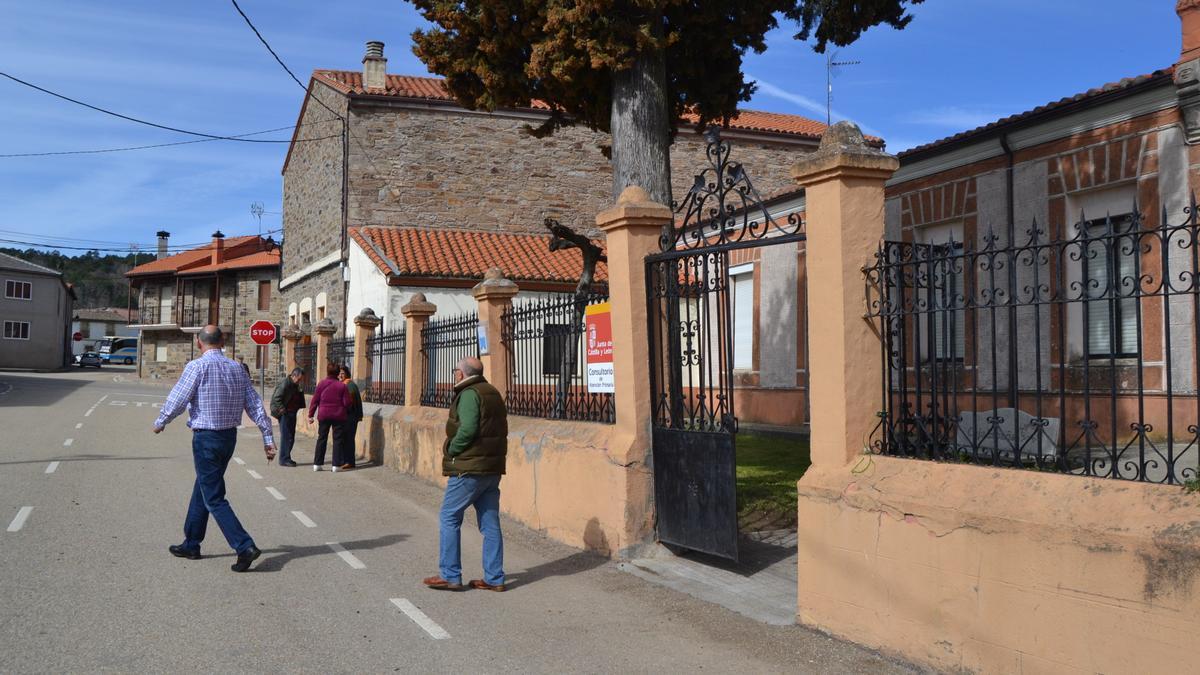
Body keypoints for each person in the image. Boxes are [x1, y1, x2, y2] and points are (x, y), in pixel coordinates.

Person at [152, 325, 275, 573]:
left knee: (214, 496)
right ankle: (192, 543)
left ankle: (244, 545)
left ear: (199, 343)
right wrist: (267, 436)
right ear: (223, 342)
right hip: (228, 438)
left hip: (206, 437)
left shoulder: (197, 367)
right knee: (204, 488)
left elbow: (179, 397)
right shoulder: (237, 368)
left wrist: (161, 421)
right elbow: (254, 403)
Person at [423, 356, 508, 592]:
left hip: (469, 468)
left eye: (454, 371)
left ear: (461, 374)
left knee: (449, 517)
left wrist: (451, 448)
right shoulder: (491, 392)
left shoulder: (470, 394)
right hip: (491, 468)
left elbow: (468, 429)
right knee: (490, 523)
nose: (454, 374)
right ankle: (494, 577)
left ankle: (450, 574)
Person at [307, 361, 351, 472]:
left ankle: (317, 464)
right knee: (337, 440)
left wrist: (310, 415)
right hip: (338, 415)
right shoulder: (342, 386)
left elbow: (314, 400)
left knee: (322, 438)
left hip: (324, 414)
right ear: (337, 373)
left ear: (327, 372)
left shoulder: (321, 384)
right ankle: (336, 465)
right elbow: (347, 403)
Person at [270, 367, 306, 467]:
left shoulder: (295, 385)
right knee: (286, 437)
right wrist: (282, 410)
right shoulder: (285, 384)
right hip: (285, 413)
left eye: (301, 380)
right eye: (299, 379)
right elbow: (277, 398)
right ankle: (284, 459)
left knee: (291, 437)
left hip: (292, 412)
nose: (300, 381)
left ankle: (287, 457)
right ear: (293, 376)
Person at [337, 365, 363, 471]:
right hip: (346, 416)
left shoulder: (350, 385)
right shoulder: (344, 384)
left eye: (342, 373)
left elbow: (349, 403)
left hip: (350, 417)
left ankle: (349, 462)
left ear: (347, 374)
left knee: (348, 439)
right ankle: (344, 461)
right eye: (339, 373)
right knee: (344, 439)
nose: (340, 375)